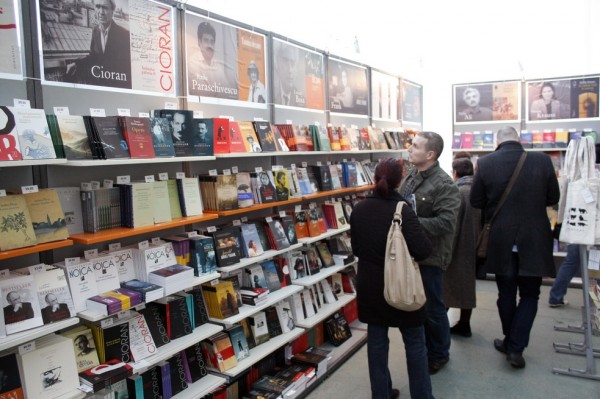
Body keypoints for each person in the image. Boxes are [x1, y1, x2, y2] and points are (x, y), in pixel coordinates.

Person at [470, 126, 559, 368]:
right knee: (531, 294)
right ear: (518, 140)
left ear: (497, 141)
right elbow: (553, 197)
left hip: (501, 239)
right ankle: (515, 348)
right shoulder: (542, 161)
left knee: (505, 293)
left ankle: (511, 341)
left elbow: (476, 201)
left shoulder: (486, 163)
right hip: (535, 238)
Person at [350, 158, 434, 399]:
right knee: (415, 343)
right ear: (401, 181)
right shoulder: (404, 211)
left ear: (375, 178)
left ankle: (382, 393)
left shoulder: (359, 209)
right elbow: (423, 250)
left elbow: (357, 249)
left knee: (376, 344)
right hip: (402, 284)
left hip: (371, 286)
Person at [399, 131, 461, 375]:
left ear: (430, 154)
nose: (410, 150)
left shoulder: (444, 185)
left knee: (434, 308)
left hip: (431, 256)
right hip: (410, 253)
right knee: (417, 305)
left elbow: (446, 223)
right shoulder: (412, 175)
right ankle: (425, 348)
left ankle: (439, 354)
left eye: (415, 146)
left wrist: (410, 221)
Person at [443, 158, 481, 337]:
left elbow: (453, 224)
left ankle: (440, 325)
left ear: (455, 173)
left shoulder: (458, 192)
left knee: (448, 285)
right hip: (475, 246)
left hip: (458, 246)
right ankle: (464, 323)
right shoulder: (479, 190)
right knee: (467, 286)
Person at [66, 0, 131, 89]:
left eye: (105, 8)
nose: (101, 12)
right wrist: (77, 64)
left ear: (112, 11)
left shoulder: (124, 35)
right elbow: (94, 55)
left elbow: (127, 68)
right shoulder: (95, 31)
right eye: (98, 7)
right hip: (100, 86)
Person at [188, 21, 234, 96]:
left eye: (212, 41)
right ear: (199, 42)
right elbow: (202, 93)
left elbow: (228, 92)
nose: (209, 45)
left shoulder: (218, 67)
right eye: (206, 40)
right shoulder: (192, 63)